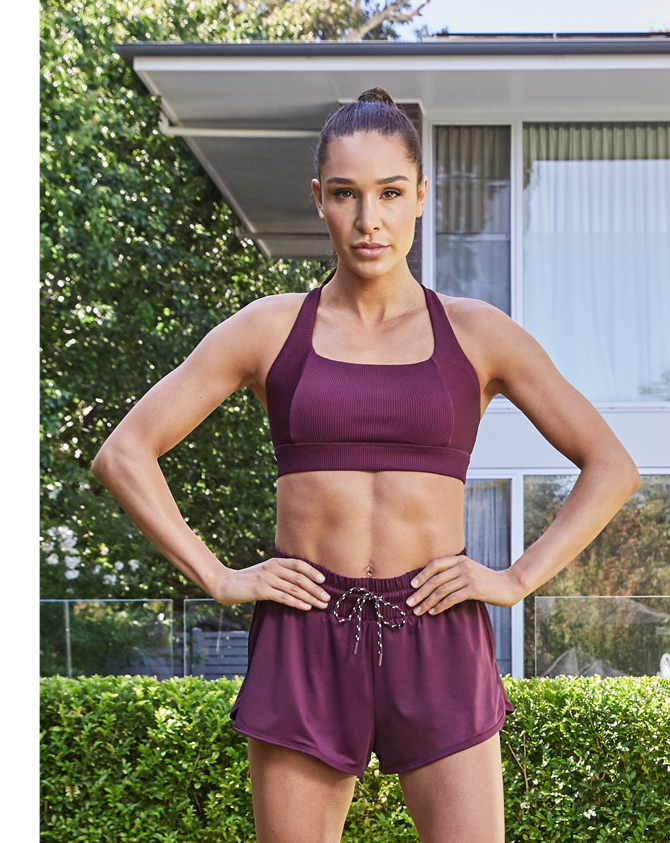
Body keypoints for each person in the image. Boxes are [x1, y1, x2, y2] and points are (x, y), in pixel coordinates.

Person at [92, 88, 640, 843]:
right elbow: (124, 453)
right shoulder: (269, 328)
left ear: (422, 196)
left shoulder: (478, 334)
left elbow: (611, 466)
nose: (368, 219)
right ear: (319, 198)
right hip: (305, 631)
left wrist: (515, 579)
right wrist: (218, 576)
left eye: (389, 192)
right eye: (346, 194)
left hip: (437, 629)